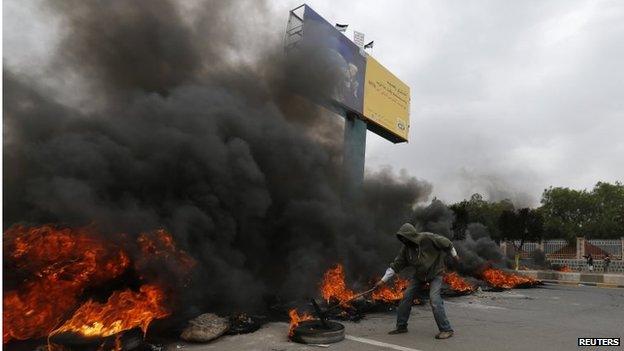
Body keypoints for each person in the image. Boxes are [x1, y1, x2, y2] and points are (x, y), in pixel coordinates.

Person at [374, 223, 460, 340]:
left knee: (434, 299)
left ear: (411, 235)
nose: (403, 240)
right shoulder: (406, 250)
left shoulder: (428, 238)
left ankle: (446, 329)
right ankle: (401, 326)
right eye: (401, 238)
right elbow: (395, 266)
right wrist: (382, 281)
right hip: (420, 276)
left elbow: (447, 243)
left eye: (405, 237)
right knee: (406, 297)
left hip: (435, 273)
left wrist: (455, 256)